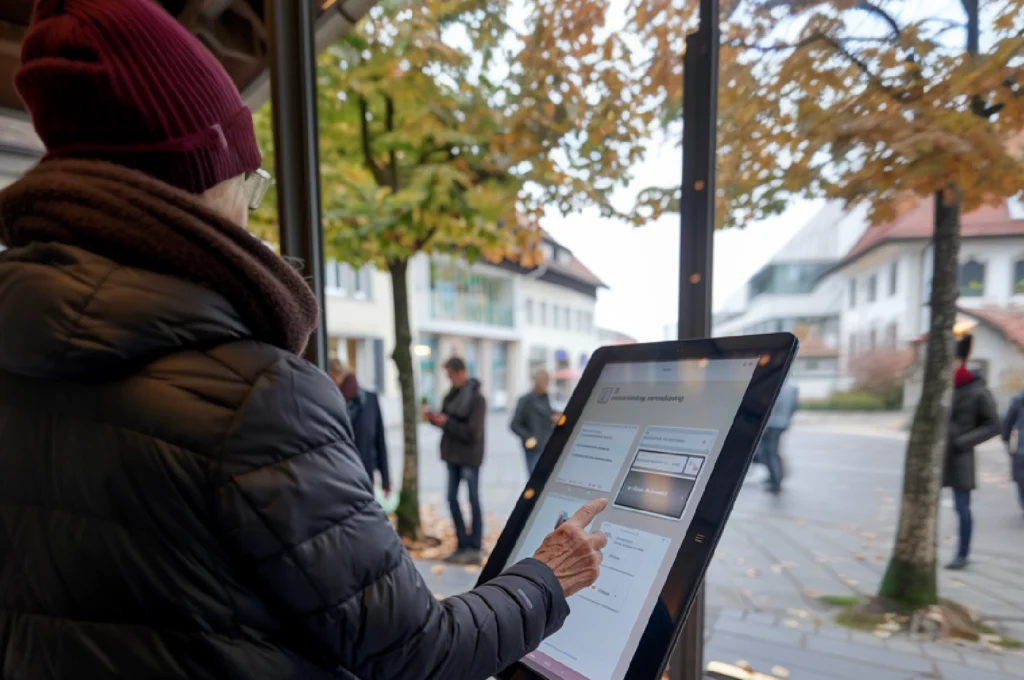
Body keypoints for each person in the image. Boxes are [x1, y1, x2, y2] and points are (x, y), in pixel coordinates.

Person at [0, 2, 608, 678]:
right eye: (249, 184)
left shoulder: (19, 355)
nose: (253, 218)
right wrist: (547, 577)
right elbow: (412, 650)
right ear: (202, 181)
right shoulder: (253, 396)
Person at [944, 334, 1000, 570]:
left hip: (960, 456)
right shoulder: (942, 387)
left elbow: (994, 425)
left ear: (961, 360)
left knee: (962, 507)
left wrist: (962, 442)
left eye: (952, 361)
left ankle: (962, 554)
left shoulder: (978, 391)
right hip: (935, 456)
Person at [425, 356, 486, 564]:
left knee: (473, 500)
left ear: (461, 373)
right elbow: (446, 422)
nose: (449, 379)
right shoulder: (451, 395)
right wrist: (435, 420)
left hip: (469, 457)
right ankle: (462, 543)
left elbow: (472, 433)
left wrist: (447, 422)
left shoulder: (477, 399)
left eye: (451, 375)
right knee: (451, 498)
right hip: (452, 456)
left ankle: (475, 546)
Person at [329, 360, 391, 494]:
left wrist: (386, 478)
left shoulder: (370, 399)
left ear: (335, 376)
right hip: (338, 478)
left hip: (365, 476)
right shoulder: (330, 402)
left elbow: (380, 440)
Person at [511, 369, 561, 474]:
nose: (547, 384)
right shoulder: (526, 400)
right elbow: (514, 424)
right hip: (533, 448)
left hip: (547, 446)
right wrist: (528, 437)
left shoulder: (546, 398)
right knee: (535, 479)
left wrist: (554, 417)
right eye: (545, 381)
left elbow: (547, 414)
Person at [756, 379, 798, 494]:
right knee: (773, 451)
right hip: (782, 423)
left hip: (771, 424)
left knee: (769, 452)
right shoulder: (792, 387)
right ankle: (775, 476)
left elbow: (768, 405)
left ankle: (775, 481)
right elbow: (794, 406)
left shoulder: (774, 385)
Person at [1001, 388, 1024, 515]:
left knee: (1022, 479)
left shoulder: (1018, 398)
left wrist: (1005, 437)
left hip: (1021, 447)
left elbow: (1008, 422)